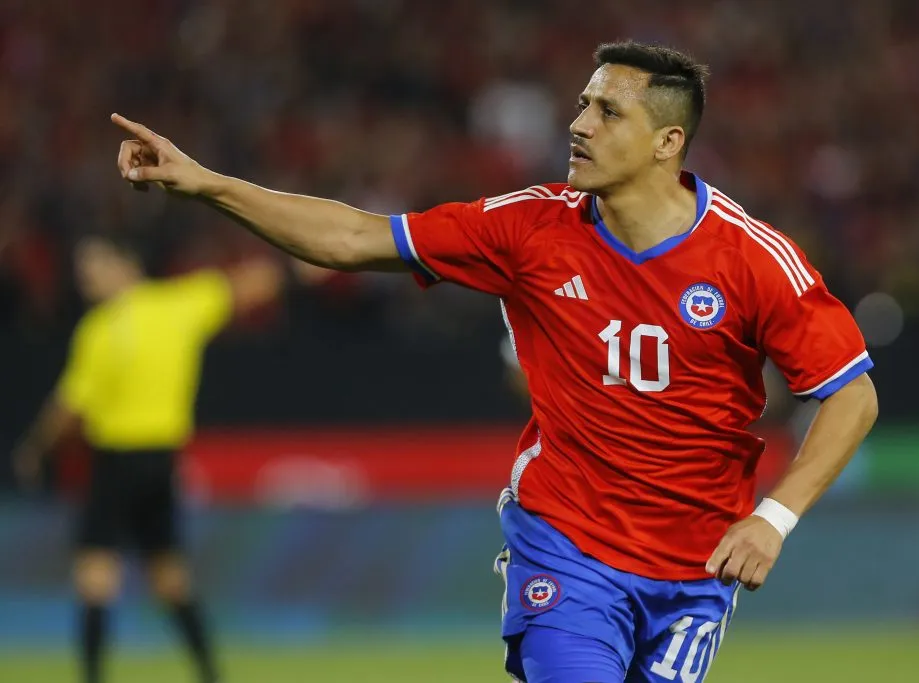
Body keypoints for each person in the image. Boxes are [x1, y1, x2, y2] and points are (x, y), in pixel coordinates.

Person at [110, 39, 878, 683]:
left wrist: (774, 518)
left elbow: (851, 395)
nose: (578, 124)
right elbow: (352, 238)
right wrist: (207, 184)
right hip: (569, 548)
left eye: (608, 111)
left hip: (694, 574)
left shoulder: (752, 259)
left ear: (666, 142)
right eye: (582, 103)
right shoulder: (529, 229)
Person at [13, 234, 283, 683]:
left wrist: (34, 449)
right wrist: (298, 265)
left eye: (96, 267)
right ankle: (211, 674)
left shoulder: (100, 329)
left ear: (127, 265)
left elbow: (69, 408)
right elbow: (252, 283)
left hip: (117, 462)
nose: (87, 279)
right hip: (162, 463)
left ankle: (93, 677)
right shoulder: (180, 305)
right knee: (171, 580)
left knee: (95, 577)